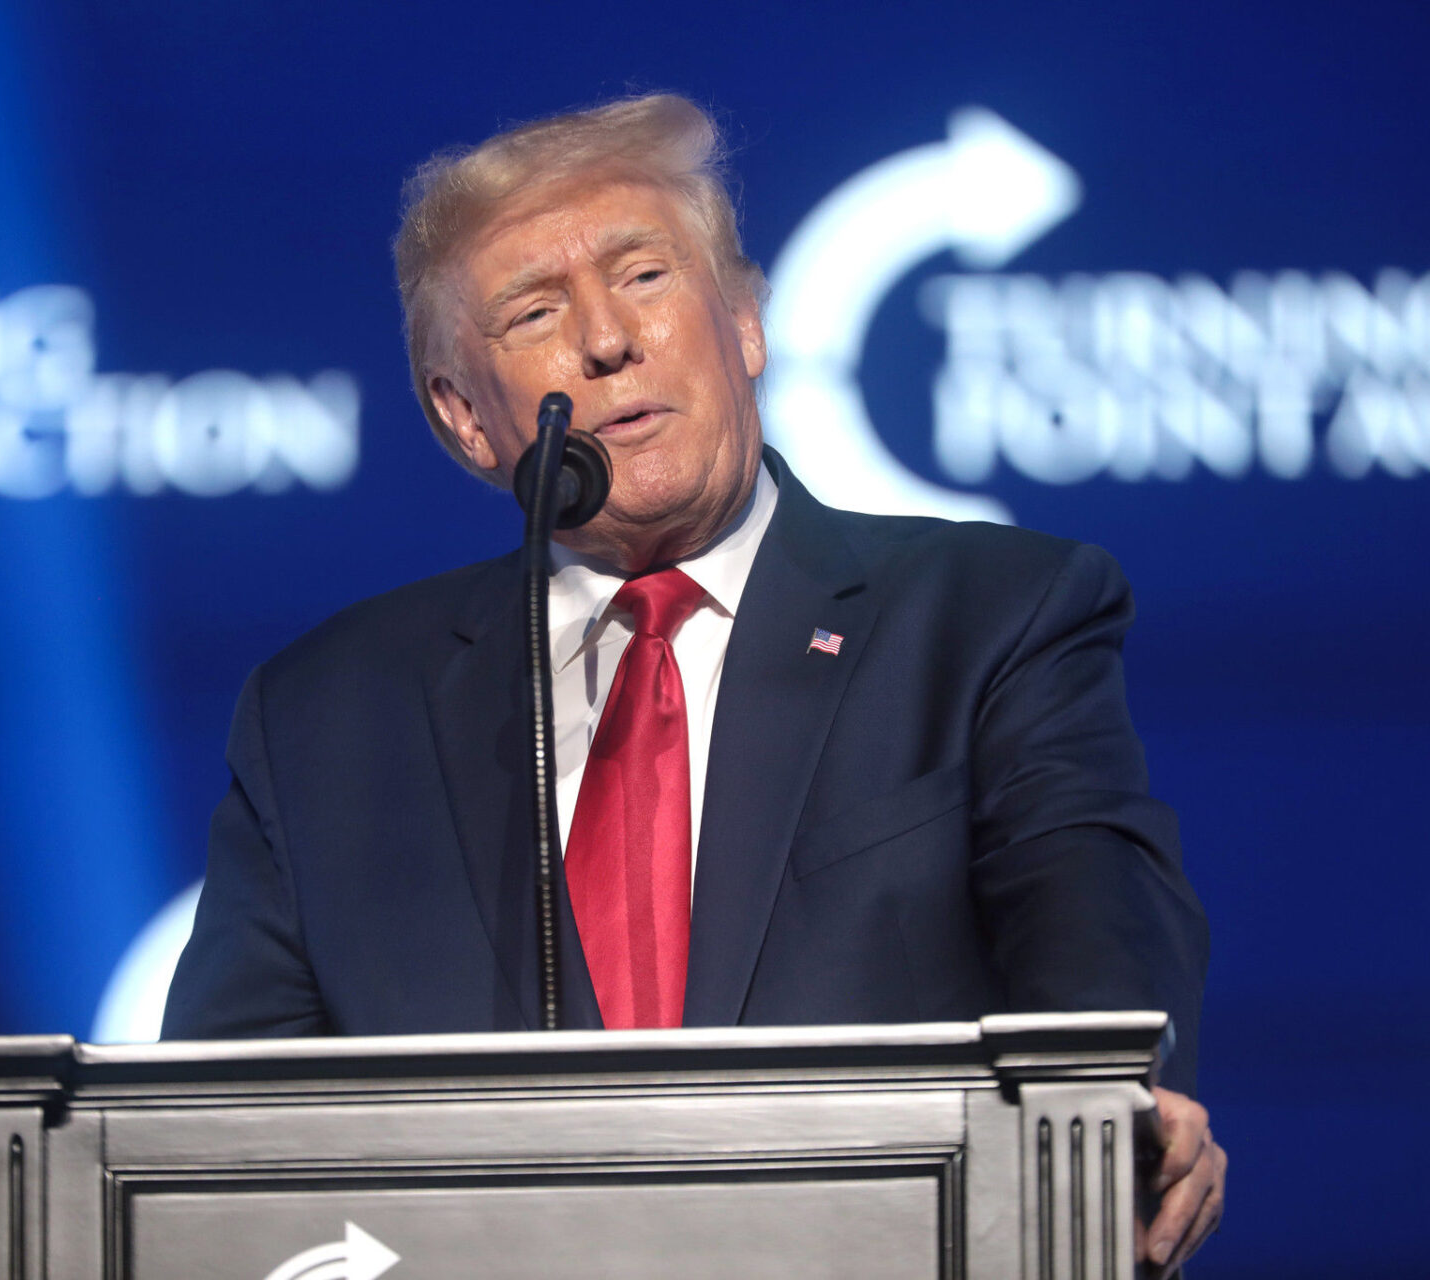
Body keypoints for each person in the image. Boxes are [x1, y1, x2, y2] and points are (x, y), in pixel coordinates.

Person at [164, 94, 1224, 1274]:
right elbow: (214, 1150)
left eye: (647, 277)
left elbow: (1089, 925)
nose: (607, 339)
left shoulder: (988, 614)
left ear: (746, 324)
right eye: (533, 310)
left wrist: (1109, 1106)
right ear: (465, 418)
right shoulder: (326, 716)